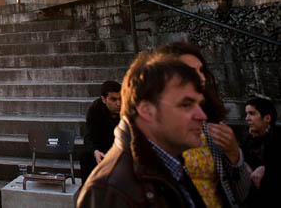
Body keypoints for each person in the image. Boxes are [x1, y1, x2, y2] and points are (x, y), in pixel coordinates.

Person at [77, 51, 209, 207]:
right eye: (185, 104)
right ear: (147, 110)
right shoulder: (109, 190)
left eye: (199, 104)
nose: (201, 115)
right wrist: (96, 151)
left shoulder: (174, 162)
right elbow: (91, 135)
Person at [158, 42, 251, 207]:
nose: (201, 77)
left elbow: (241, 194)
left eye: (201, 70)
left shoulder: (210, 124)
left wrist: (234, 155)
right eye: (190, 72)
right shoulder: (153, 130)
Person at [240, 97, 279, 206]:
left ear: (267, 118)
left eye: (252, 114)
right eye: (246, 114)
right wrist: (242, 163)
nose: (247, 118)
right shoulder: (245, 137)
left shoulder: (277, 138)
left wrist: (266, 168)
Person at [80, 80, 121, 180]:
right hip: (103, 148)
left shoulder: (127, 109)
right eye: (113, 100)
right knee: (86, 156)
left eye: (120, 99)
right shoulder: (95, 110)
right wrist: (95, 151)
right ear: (104, 99)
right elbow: (88, 135)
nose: (118, 104)